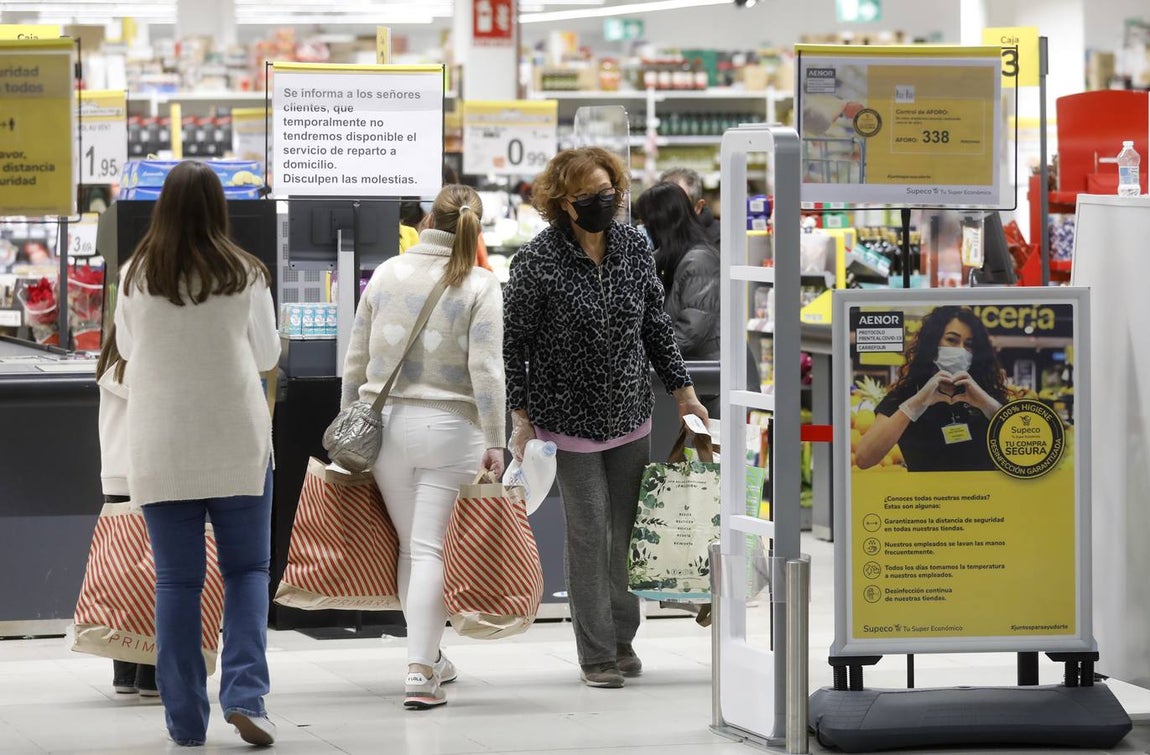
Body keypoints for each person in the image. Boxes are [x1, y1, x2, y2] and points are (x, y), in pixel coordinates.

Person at [504, 147, 709, 689]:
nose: (603, 203)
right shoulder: (538, 260)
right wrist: (521, 416)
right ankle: (595, 652)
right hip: (564, 420)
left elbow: (656, 328)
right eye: (588, 196)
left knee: (625, 533)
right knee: (590, 532)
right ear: (562, 203)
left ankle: (623, 638)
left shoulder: (634, 249)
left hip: (630, 415)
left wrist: (684, 395)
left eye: (608, 192)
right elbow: (514, 343)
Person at [114, 160, 280, 747]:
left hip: (161, 443)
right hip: (237, 439)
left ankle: (184, 719)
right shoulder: (246, 272)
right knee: (247, 572)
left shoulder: (136, 275)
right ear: (219, 208)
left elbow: (128, 346)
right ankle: (245, 695)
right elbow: (266, 354)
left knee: (178, 583)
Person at [341, 183, 506, 710]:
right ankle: (419, 670)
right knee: (432, 548)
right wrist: (498, 440)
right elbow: (486, 369)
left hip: (386, 427)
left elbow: (356, 355)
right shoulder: (481, 284)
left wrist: (350, 415)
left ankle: (430, 658)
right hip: (453, 428)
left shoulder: (388, 273)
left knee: (415, 546)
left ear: (426, 217)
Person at [854, 306, 1007, 473]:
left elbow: (1025, 448)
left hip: (983, 496)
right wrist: (916, 404)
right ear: (933, 345)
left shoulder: (988, 393)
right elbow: (864, 458)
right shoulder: (905, 394)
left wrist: (988, 405)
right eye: (952, 340)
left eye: (969, 344)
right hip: (925, 498)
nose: (961, 350)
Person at [95, 325, 158, 699]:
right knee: (155, 578)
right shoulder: (143, 369)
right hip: (145, 477)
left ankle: (123, 671)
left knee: (125, 578)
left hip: (114, 481)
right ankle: (150, 674)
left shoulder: (111, 364)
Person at [659, 167, 720, 247]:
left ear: (698, 207)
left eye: (678, 203)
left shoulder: (720, 239)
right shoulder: (653, 235)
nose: (670, 209)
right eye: (664, 202)